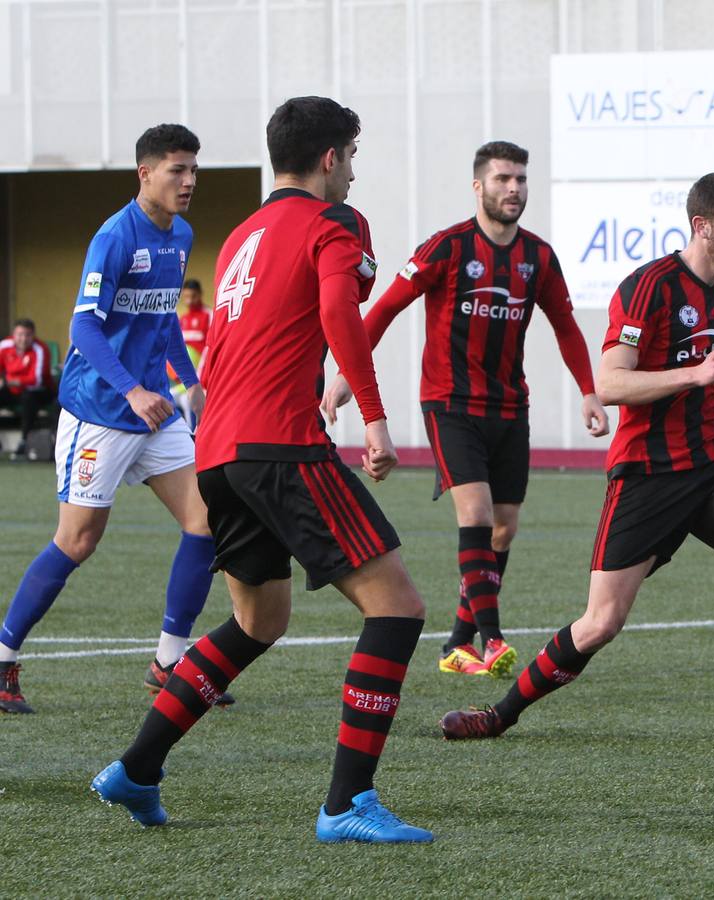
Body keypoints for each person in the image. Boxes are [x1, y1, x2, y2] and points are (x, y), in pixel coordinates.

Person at [91, 96, 432, 843]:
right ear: (332, 158)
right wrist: (373, 416)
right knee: (397, 608)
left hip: (217, 452)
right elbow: (343, 310)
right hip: (281, 447)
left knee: (259, 618)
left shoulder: (242, 234)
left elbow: (222, 349)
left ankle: (137, 768)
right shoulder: (334, 223)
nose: (354, 172)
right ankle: (346, 805)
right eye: (353, 156)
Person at [438, 172, 714, 748]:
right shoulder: (650, 286)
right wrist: (697, 371)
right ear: (702, 225)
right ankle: (500, 714)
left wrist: (710, 375)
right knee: (600, 624)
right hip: (647, 475)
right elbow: (610, 383)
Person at [322, 140, 608, 680]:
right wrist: (344, 376)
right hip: (449, 403)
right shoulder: (447, 247)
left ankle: (457, 642)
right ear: (478, 186)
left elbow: (566, 326)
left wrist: (588, 391)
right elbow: (382, 309)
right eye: (503, 179)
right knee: (474, 516)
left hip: (509, 406)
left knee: (503, 528)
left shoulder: (539, 258)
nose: (514, 189)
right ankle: (494, 639)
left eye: (521, 179)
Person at [0, 125, 224, 716]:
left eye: (194, 170)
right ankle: (3, 656)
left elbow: (164, 319)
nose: (190, 180)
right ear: (144, 174)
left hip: (153, 410)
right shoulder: (114, 238)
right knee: (77, 541)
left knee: (207, 522)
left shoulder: (180, 236)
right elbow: (83, 329)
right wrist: (130, 392)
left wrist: (188, 380)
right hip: (101, 410)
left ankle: (170, 661)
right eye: (178, 170)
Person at [0, 318, 56, 451]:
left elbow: (35, 380)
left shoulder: (40, 349)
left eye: (27, 335)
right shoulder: (4, 346)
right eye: (20, 335)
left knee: (28, 397)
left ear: (33, 335)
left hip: (40, 391)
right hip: (13, 390)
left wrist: (12, 381)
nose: (23, 339)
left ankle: (25, 441)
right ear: (14, 335)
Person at [167, 279, 208, 425]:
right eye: (186, 297)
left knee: (187, 400)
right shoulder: (182, 319)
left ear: (200, 294)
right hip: (181, 379)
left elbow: (209, 349)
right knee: (169, 398)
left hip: (201, 378)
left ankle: (194, 435)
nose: (190, 300)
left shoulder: (208, 316)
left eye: (193, 296)